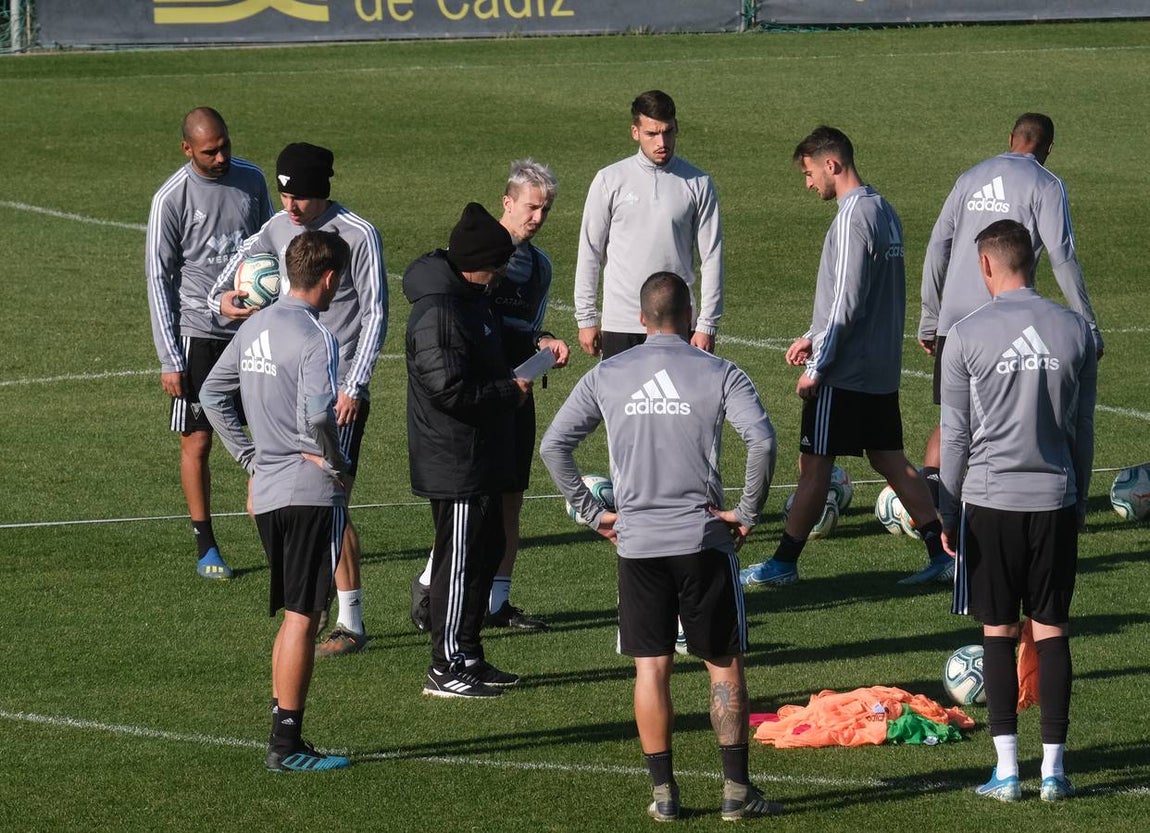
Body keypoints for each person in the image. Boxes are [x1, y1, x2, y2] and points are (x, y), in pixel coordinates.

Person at [540, 272, 782, 821]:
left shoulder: (609, 374)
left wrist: (592, 512)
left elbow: (554, 445)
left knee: (651, 668)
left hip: (638, 543)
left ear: (642, 318)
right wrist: (746, 513)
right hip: (703, 541)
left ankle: (665, 795)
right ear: (689, 313)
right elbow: (762, 441)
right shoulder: (721, 372)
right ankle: (737, 792)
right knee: (722, 664)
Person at [741, 126, 949, 589]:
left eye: (810, 172)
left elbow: (847, 301)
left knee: (815, 465)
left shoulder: (854, 216)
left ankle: (783, 564)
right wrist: (811, 335)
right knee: (890, 460)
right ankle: (943, 551)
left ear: (831, 164)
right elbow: (861, 298)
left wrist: (818, 366)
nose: (809, 183)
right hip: (877, 368)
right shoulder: (884, 210)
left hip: (846, 372)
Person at [939, 219, 1096, 802]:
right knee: (1052, 631)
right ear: (1031, 261)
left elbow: (954, 435)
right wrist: (1079, 494)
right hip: (1054, 499)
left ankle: (1007, 774)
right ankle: (1054, 771)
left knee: (998, 633)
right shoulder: (1075, 330)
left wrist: (948, 508)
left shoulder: (967, 335)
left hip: (990, 503)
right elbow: (1082, 427)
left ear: (986, 265)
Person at [210, 142, 387, 657]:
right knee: (266, 498)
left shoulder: (358, 234)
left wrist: (354, 384)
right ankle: (305, 603)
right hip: (280, 387)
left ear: (323, 192)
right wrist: (223, 304)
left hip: (335, 395)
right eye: (285, 194)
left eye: (301, 197)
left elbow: (375, 312)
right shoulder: (273, 229)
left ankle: (349, 621)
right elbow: (221, 288)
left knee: (332, 504)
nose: (290, 206)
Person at [200, 229, 353, 772]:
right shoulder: (317, 336)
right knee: (304, 616)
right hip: (307, 493)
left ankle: (283, 728)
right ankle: (285, 745)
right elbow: (317, 414)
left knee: (295, 612)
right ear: (330, 278)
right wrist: (331, 459)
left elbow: (212, 395)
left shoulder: (255, 326)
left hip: (266, 492)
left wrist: (248, 458)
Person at [410, 161, 570, 634]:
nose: (538, 217)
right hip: (475, 394)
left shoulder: (539, 267)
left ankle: (497, 602)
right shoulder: (474, 251)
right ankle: (429, 587)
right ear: (507, 202)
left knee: (510, 497)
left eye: (546, 209)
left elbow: (524, 328)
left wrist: (542, 342)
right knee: (469, 502)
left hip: (515, 390)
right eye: (531, 206)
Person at [918, 113, 1103, 506]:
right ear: (1048, 148)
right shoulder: (1046, 184)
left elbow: (938, 246)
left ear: (1011, 138)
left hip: (954, 323)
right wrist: (1087, 322)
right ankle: (1024, 500)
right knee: (1019, 415)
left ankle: (934, 513)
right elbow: (1062, 256)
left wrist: (931, 317)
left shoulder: (969, 177)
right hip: (1002, 322)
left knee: (954, 422)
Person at [405, 202, 535, 699]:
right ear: (475, 263)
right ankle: (445, 667)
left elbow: (489, 352)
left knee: (481, 556)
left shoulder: (469, 298)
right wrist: (511, 392)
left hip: (477, 456)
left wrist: (531, 350)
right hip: (455, 461)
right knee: (459, 562)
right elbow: (450, 391)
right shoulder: (439, 310)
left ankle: (469, 653)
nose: (501, 273)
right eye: (497, 264)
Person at [146, 106, 273, 580]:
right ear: (187, 149)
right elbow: (159, 279)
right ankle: (206, 545)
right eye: (209, 151)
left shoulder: (252, 180)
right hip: (199, 335)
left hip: (252, 330)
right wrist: (169, 357)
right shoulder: (171, 199)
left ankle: (276, 532)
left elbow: (271, 245)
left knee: (270, 429)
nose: (221, 157)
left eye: (225, 146)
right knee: (197, 440)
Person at [574, 90, 723, 359]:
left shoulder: (698, 183)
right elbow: (590, 251)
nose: (661, 142)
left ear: (676, 128)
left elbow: (712, 257)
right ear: (635, 132)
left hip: (676, 323)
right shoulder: (610, 180)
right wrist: (586, 319)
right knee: (619, 401)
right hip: (621, 322)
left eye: (667, 132)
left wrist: (707, 323)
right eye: (652, 134)